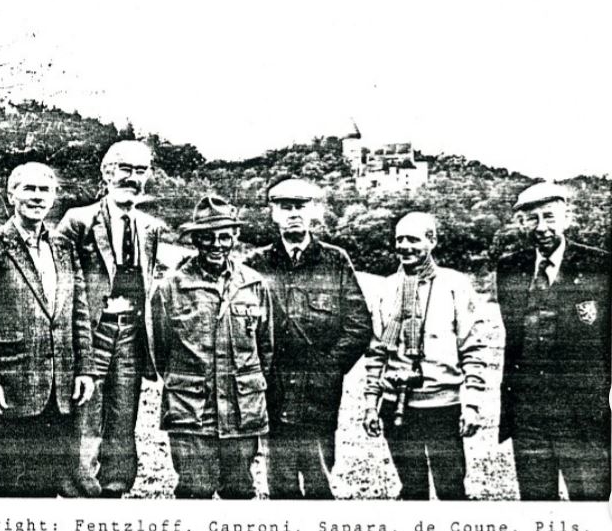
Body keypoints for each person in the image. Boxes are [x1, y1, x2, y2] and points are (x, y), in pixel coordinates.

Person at [0, 162, 94, 497]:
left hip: (58, 389)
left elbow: (79, 312)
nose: (37, 197)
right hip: (10, 389)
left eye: (44, 190)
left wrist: (85, 369)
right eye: (29, 188)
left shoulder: (64, 247)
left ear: (54, 197)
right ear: (11, 195)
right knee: (1, 485)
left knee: (44, 485)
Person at [245, 178, 373, 499]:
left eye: (301, 206)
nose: (293, 214)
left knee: (320, 482)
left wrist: (329, 368)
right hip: (272, 390)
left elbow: (359, 325)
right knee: (281, 483)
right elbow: (242, 328)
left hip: (319, 393)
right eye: (285, 207)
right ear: (273, 213)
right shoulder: (255, 265)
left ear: (313, 211)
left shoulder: (335, 261)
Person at [56, 140, 163, 497]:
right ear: (106, 172)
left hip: (131, 333)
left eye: (141, 170)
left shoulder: (150, 227)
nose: (132, 178)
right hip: (93, 331)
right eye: (125, 169)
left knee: (123, 412)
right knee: (85, 412)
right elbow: (62, 284)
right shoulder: (78, 221)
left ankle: (115, 487)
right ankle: (80, 489)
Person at [151, 195, 274, 498]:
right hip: (191, 412)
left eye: (224, 237)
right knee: (194, 491)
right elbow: (159, 350)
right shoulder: (171, 287)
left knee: (240, 491)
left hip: (241, 412)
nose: (216, 245)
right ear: (195, 239)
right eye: (207, 237)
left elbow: (265, 347)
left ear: (235, 237)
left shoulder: (254, 284)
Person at [497, 182, 611, 500]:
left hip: (582, 414)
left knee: (590, 504)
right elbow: (514, 339)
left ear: (566, 218)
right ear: (521, 223)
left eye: (549, 217)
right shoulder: (510, 267)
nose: (541, 227)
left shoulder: (599, 265)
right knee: (536, 503)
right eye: (532, 219)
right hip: (528, 413)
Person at [363, 212, 488, 500]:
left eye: (413, 239)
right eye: (399, 240)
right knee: (411, 490)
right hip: (396, 405)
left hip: (442, 407)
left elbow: (473, 349)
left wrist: (471, 405)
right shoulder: (386, 288)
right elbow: (376, 351)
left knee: (451, 489)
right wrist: (371, 404)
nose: (405, 246)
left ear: (432, 241)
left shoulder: (455, 285)